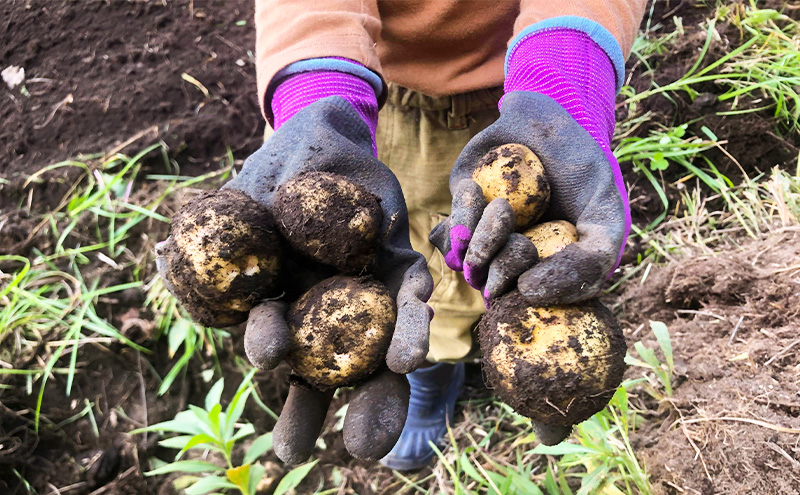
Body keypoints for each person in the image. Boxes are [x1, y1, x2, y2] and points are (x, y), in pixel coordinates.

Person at [168, 0, 648, 471]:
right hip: (369, 96)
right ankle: (432, 366)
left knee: (477, 260)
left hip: (525, 83)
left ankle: (451, 354)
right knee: (409, 258)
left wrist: (565, 72)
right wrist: (315, 95)